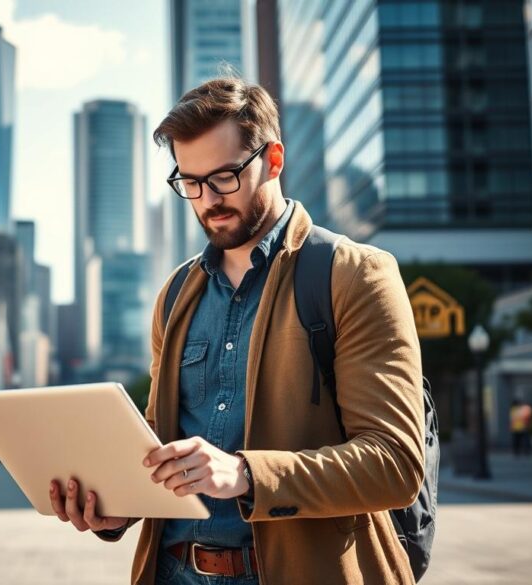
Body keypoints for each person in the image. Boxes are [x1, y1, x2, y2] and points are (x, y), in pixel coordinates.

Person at [49, 77, 424, 584]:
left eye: (225, 177)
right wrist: (115, 508)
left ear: (273, 160)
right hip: (173, 572)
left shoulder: (355, 275)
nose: (208, 200)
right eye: (190, 183)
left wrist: (246, 474)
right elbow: (159, 448)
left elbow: (395, 463)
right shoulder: (176, 294)